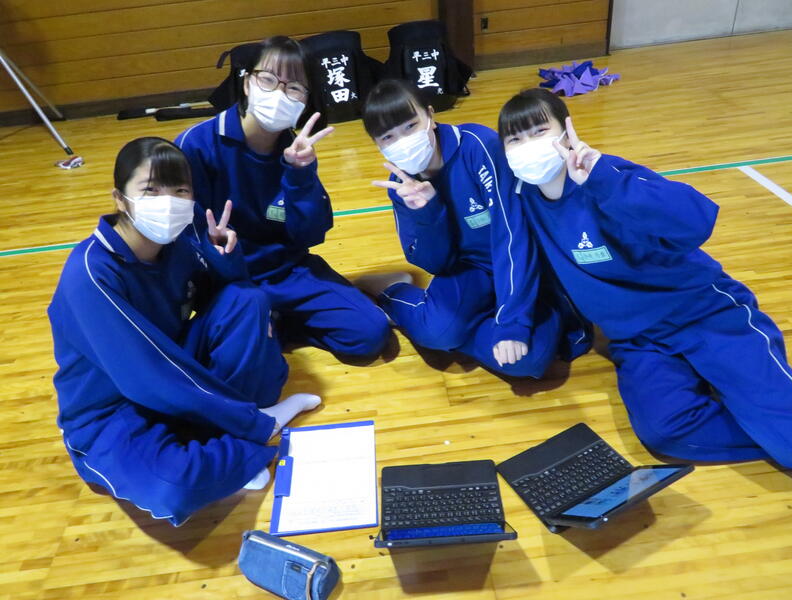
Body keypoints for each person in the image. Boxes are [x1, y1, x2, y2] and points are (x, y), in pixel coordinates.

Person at [496, 88, 792, 469]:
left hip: (705, 314)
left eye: (539, 131)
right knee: (665, 432)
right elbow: (514, 261)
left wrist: (604, 180)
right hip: (639, 339)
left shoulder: (604, 175)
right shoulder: (521, 200)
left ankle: (777, 429)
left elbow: (695, 220)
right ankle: (768, 430)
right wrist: (512, 324)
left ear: (566, 131)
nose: (528, 146)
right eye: (515, 139)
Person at [48, 137, 321, 526]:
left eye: (180, 190)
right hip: (114, 407)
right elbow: (143, 376)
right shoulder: (90, 272)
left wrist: (223, 257)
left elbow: (228, 302)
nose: (168, 201)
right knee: (174, 485)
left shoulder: (178, 244)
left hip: (176, 367)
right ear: (120, 199)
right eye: (151, 190)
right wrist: (255, 424)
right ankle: (247, 435)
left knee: (247, 300)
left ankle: (228, 432)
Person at [355, 79, 591, 377]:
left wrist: (511, 324)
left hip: (520, 266)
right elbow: (435, 264)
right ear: (377, 145)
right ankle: (392, 291)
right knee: (436, 333)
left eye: (410, 126)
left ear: (430, 116)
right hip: (470, 270)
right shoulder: (402, 184)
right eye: (388, 136)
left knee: (528, 361)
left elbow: (512, 234)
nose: (403, 140)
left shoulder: (479, 146)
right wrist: (428, 212)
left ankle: (464, 323)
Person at [176, 36, 390, 358]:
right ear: (247, 83)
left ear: (305, 100)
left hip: (287, 272)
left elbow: (310, 234)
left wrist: (300, 174)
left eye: (294, 87)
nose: (279, 93)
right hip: (229, 282)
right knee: (241, 355)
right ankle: (270, 324)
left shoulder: (296, 151)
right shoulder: (196, 144)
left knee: (370, 334)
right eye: (268, 79)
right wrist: (220, 259)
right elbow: (185, 241)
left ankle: (277, 324)